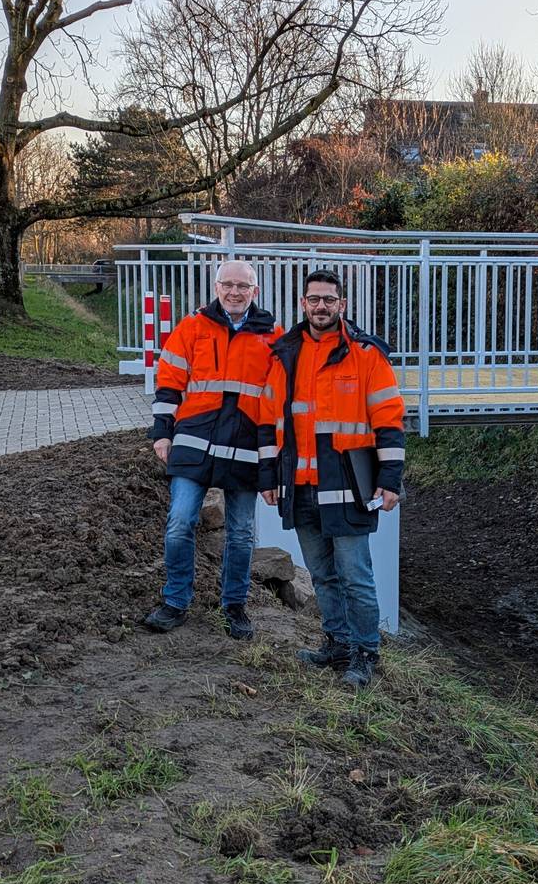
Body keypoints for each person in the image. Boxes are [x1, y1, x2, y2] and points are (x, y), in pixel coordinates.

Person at [259, 268, 405, 687]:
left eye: (329, 299)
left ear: (341, 305)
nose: (320, 306)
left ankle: (365, 653)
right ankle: (338, 645)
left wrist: (390, 479)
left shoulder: (364, 354)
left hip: (346, 487)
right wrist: (270, 477)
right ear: (302, 304)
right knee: (322, 574)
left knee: (356, 575)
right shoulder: (285, 353)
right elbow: (269, 423)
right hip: (300, 487)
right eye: (313, 299)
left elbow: (390, 421)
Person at [145, 260, 283, 640]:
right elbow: (169, 381)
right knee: (180, 522)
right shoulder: (192, 327)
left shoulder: (274, 335)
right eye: (228, 284)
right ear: (216, 286)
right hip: (195, 439)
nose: (235, 292)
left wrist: (277, 452)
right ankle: (175, 602)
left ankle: (234, 606)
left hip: (245, 442)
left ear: (255, 291)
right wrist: (162, 432)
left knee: (240, 533)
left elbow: (281, 399)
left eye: (243, 286)